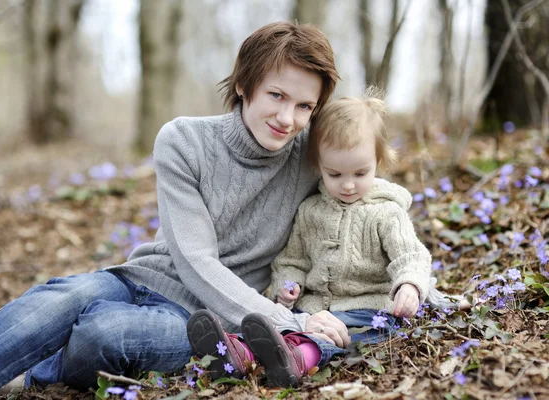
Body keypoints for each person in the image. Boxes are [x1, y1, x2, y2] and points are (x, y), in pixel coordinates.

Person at [0, 21, 352, 400]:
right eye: (276, 95)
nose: (287, 119)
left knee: (104, 333)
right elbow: (195, 259)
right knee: (60, 299)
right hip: (140, 279)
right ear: (245, 85)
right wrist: (287, 321)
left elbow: (376, 195)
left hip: (206, 320)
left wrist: (411, 278)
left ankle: (40, 374)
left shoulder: (311, 156)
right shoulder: (184, 140)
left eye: (304, 106)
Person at [186, 88, 468, 388]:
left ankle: (298, 359)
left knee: (331, 337)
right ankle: (239, 352)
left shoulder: (386, 213)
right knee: (277, 324)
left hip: (367, 312)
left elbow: (410, 256)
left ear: (379, 161)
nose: (347, 185)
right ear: (318, 165)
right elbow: (293, 259)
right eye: (334, 175)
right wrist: (287, 286)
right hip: (312, 309)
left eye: (360, 173)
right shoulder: (310, 211)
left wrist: (410, 286)